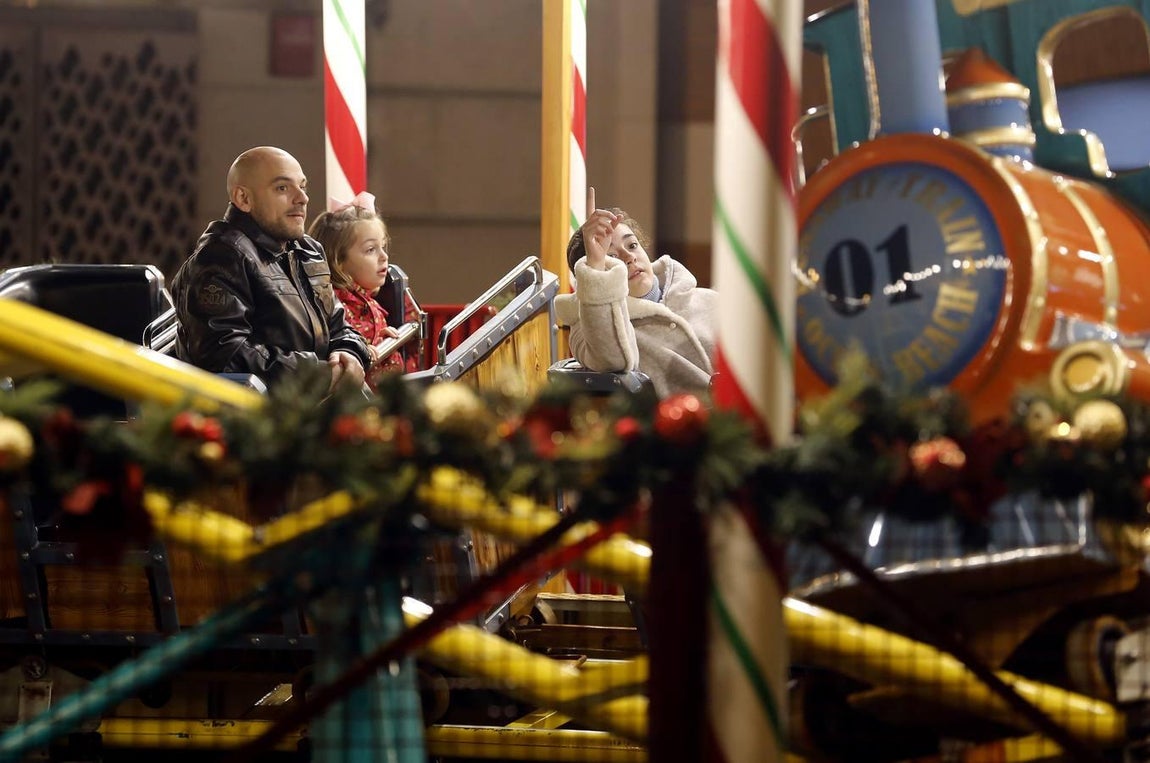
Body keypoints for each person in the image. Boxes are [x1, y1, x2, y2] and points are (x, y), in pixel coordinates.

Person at [171, 146, 369, 390]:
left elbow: (339, 327)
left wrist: (348, 352)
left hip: (317, 403)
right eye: (282, 188)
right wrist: (315, 373)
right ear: (244, 199)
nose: (302, 198)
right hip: (262, 419)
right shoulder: (220, 258)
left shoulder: (308, 249)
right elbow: (223, 356)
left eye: (303, 186)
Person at [554, 187, 717, 398]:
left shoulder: (710, 300)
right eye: (611, 257)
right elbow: (612, 360)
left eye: (632, 245)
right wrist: (595, 263)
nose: (628, 257)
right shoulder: (585, 331)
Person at [307, 192, 411, 388]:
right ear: (339, 261)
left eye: (383, 247)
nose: (384, 257)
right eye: (371, 250)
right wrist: (365, 350)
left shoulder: (370, 301)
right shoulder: (335, 307)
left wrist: (384, 341)